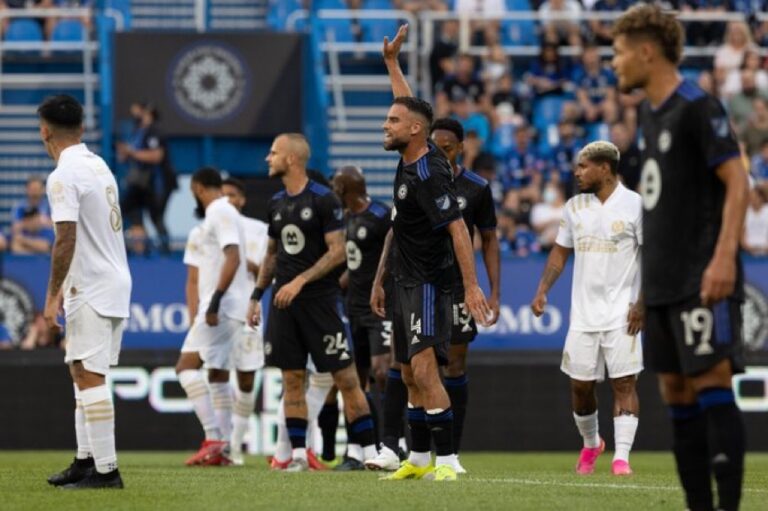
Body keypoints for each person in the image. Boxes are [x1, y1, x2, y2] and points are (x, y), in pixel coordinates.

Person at [613, 5, 750, 510]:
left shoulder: (698, 106)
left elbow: (739, 183)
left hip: (701, 275)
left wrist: (723, 260)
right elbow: (660, 209)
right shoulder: (648, 113)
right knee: (675, 393)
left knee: (711, 382)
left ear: (648, 51)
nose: (614, 63)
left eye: (620, 52)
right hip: (664, 283)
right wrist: (647, 291)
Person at [372, 24, 491, 482]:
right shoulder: (410, 156)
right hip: (403, 277)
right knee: (405, 373)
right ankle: (418, 460)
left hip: (428, 281)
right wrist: (391, 65)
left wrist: (472, 284)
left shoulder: (429, 175)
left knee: (424, 368)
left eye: (391, 124)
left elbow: (460, 229)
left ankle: (446, 461)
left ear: (414, 132)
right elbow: (412, 109)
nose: (386, 126)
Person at [246, 133, 378, 473]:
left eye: (273, 153)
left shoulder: (324, 200)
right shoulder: (276, 202)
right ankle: (299, 456)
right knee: (291, 380)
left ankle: (370, 452)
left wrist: (301, 281)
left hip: (321, 303)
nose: (268, 158)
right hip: (284, 305)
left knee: (347, 379)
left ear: (291, 159)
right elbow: (272, 256)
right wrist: (256, 296)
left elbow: (338, 252)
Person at [531, 141, 643, 476]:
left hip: (623, 312)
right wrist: (542, 289)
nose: (576, 172)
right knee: (581, 388)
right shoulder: (574, 207)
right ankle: (592, 443)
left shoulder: (635, 205)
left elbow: (652, 257)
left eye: (583, 167)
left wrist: (642, 303)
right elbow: (560, 252)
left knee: (624, 384)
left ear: (604, 168)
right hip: (583, 315)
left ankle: (621, 458)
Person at [40, 94, 131, 489]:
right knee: (83, 372)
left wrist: (51, 294)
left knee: (87, 374)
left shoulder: (63, 175)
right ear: (80, 129)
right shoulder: (99, 165)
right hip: (112, 278)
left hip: (91, 283)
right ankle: (84, 461)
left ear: (45, 132)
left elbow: (65, 237)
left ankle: (107, 471)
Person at [176, 167, 250, 467]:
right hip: (232, 306)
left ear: (197, 187)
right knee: (217, 373)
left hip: (223, 305)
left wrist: (215, 300)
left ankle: (214, 438)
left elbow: (233, 256)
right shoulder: (223, 213)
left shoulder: (219, 210)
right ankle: (223, 449)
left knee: (185, 367)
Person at [326, 166, 393, 471]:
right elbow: (353, 267)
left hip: (379, 308)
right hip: (352, 308)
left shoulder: (381, 215)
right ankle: (357, 450)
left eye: (335, 187)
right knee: (354, 380)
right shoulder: (345, 220)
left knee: (382, 373)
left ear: (345, 189)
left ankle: (395, 443)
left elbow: (395, 255)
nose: (332, 192)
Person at [221, 177, 269, 465]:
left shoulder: (258, 230)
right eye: (223, 195)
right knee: (216, 377)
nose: (228, 200)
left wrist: (245, 262)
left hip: (248, 311)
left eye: (233, 195)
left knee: (246, 378)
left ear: (242, 199)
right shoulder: (210, 228)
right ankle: (218, 442)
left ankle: (236, 446)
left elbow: (268, 268)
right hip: (218, 313)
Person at [117, 102, 177, 253]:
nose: (134, 114)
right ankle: (139, 249)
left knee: (156, 216)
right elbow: (126, 156)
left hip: (154, 184)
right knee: (127, 212)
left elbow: (156, 156)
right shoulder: (137, 130)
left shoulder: (155, 131)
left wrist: (132, 153)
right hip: (138, 184)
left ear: (147, 112)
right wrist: (125, 153)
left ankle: (165, 251)